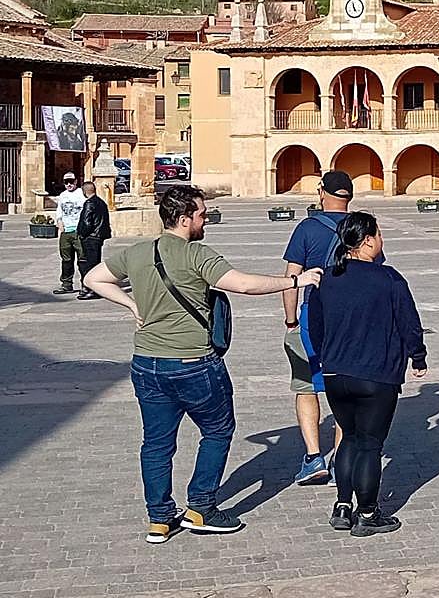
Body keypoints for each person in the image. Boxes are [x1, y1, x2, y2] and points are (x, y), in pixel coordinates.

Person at [83, 186, 323, 545]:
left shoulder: (137, 252)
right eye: (201, 213)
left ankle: (160, 518)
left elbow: (92, 279)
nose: (205, 218)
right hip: (194, 364)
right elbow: (242, 284)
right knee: (217, 431)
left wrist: (132, 305)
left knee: (156, 443)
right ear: (184, 219)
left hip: (147, 364)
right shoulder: (197, 255)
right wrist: (295, 280)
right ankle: (202, 507)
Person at [307, 211, 428, 538]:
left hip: (336, 373)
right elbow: (408, 322)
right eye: (379, 233)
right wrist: (418, 355)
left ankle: (343, 506)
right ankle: (369, 512)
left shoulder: (326, 279)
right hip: (376, 374)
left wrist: (326, 357)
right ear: (369, 239)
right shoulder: (388, 279)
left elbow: (315, 326)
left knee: (349, 436)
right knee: (371, 444)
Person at [281, 170, 385, 485]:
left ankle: (314, 458)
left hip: (314, 316)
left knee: (306, 385)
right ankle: (342, 455)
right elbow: (376, 276)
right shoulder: (362, 228)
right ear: (349, 197)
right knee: (345, 386)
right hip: (353, 322)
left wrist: (291, 321)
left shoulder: (307, 229)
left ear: (322, 192)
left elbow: (291, 278)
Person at [75, 181, 111, 300]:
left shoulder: (89, 203)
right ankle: (92, 288)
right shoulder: (101, 202)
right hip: (98, 237)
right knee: (94, 262)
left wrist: (81, 233)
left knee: (89, 264)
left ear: (84, 191)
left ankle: (92, 289)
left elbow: (86, 222)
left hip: (91, 237)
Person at [53, 171, 87, 295]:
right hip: (66, 232)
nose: (69, 184)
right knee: (66, 259)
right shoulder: (62, 195)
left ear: (76, 181)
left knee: (82, 259)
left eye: (71, 182)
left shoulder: (81, 194)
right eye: (66, 182)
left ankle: (86, 284)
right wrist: (59, 222)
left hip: (78, 231)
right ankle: (66, 284)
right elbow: (59, 211)